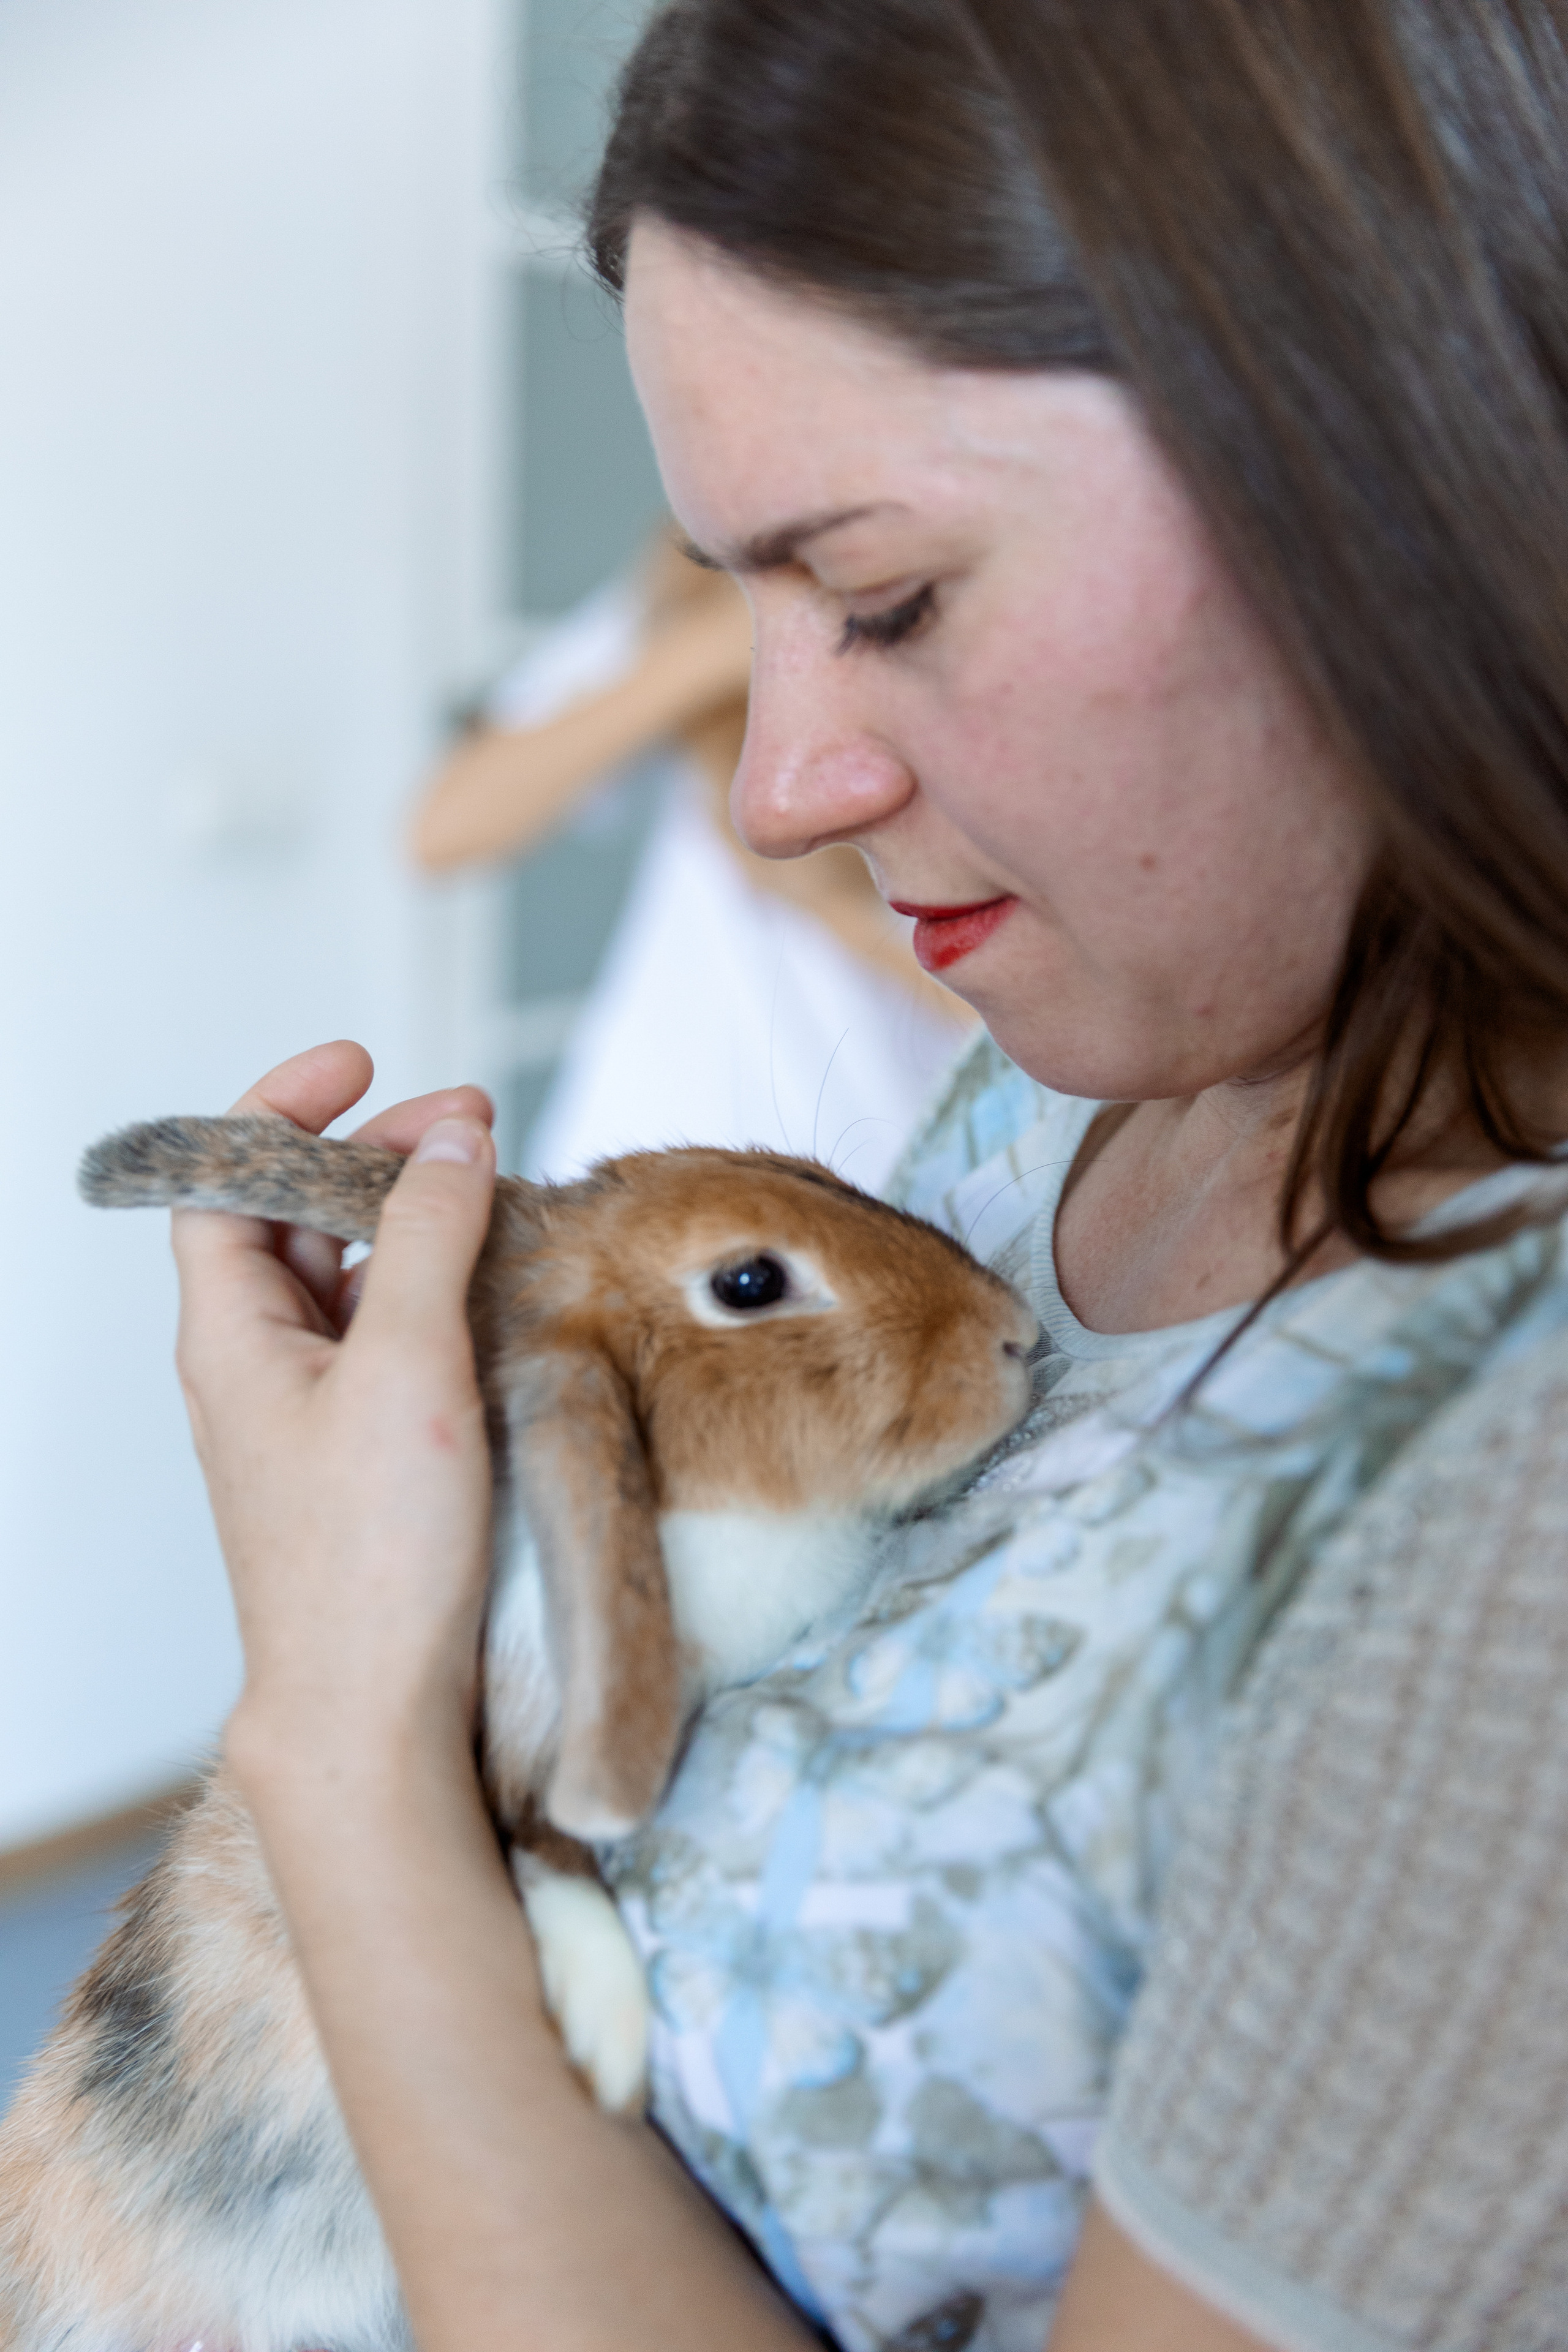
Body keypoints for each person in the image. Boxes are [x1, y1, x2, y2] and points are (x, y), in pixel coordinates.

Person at [169, 4, 1568, 2348]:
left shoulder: (1498, 1528)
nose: (774, 784)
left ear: (1384, 453)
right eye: (739, 599)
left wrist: (332, 1731)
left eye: (890, 595)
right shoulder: (1085, 1080)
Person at [411, 523, 970, 1188]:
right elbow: (444, 830)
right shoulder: (699, 575)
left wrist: (827, 904)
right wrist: (716, 644)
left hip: (892, 1190)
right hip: (636, 1159)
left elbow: (1050, 1028)